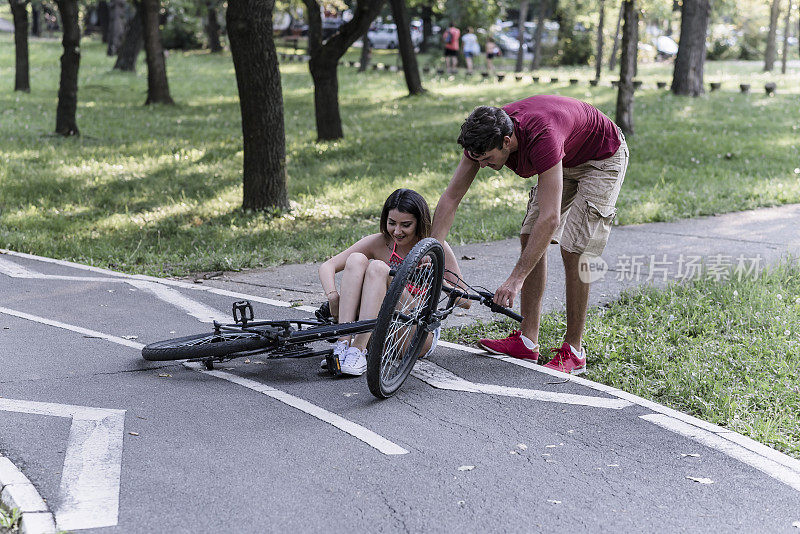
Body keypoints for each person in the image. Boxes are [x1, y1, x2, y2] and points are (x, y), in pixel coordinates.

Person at [431, 96, 629, 375]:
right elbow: (451, 197)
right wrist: (431, 249)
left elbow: (550, 219)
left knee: (574, 249)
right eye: (478, 159)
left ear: (507, 141)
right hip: (563, 156)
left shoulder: (542, 135)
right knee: (529, 237)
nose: (483, 165)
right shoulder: (483, 138)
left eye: (488, 158)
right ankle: (527, 340)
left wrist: (515, 280)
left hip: (601, 158)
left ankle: (574, 350)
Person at [319, 189, 469, 376]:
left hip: (416, 334)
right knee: (356, 259)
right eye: (392, 223)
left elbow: (466, 302)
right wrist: (333, 298)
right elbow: (328, 266)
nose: (397, 231)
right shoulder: (380, 242)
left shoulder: (435, 246)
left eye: (406, 225)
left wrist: (437, 277)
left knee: (379, 268)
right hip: (380, 330)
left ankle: (357, 351)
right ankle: (343, 345)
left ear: (419, 222)